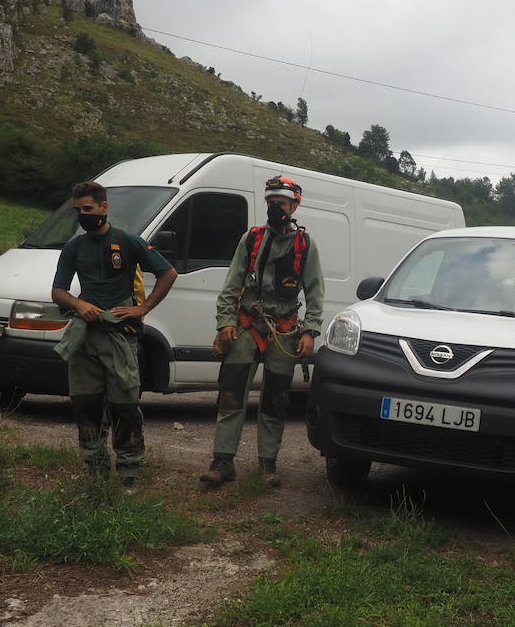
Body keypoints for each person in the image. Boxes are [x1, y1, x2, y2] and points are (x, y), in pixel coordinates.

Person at [51, 181, 178, 491]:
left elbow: (168, 273)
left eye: (89, 209)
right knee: (86, 404)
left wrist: (142, 308)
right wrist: (79, 304)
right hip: (84, 338)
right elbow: (58, 292)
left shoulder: (128, 241)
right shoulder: (74, 247)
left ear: (104, 208)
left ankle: (129, 474)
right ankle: (94, 471)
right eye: (78, 210)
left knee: (124, 405)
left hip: (119, 337)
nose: (83, 215)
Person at [200, 175, 324, 489]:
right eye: (270, 202)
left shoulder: (305, 245)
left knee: (275, 400)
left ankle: (268, 464)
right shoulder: (252, 239)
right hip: (247, 325)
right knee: (230, 394)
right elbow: (231, 285)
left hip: (282, 331)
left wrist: (310, 331)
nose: (274, 208)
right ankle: (222, 461)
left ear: (295, 205)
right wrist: (225, 322)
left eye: (280, 203)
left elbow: (314, 291)